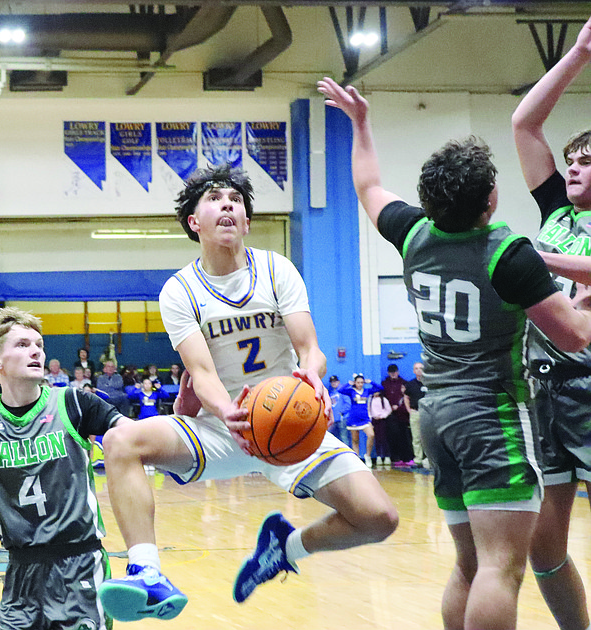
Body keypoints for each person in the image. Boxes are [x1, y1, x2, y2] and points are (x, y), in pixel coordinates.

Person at [318, 75, 591, 630]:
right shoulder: (507, 252)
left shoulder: (412, 232)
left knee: (468, 566)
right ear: (491, 198)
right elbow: (575, 337)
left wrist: (362, 124)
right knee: (501, 566)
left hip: (437, 413)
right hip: (491, 412)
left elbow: (369, 186)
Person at [96, 163, 398, 623]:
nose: (228, 205)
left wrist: (312, 377)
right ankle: (147, 573)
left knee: (380, 519)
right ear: (194, 222)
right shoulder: (180, 290)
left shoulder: (277, 270)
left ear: (247, 221)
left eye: (236, 200)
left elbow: (310, 349)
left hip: (290, 424)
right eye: (215, 199)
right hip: (224, 428)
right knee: (121, 441)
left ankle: (285, 549)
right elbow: (201, 370)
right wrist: (227, 413)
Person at [0, 306, 130, 630]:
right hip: (20, 573)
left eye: (39, 344)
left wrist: (180, 419)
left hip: (78, 564)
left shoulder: (74, 403)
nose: (36, 350)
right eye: (22, 344)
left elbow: (137, 438)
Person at [512, 15, 591, 630]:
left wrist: (538, 260)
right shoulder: (556, 211)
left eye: (587, 160)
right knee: (544, 546)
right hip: (544, 387)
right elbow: (524, 123)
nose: (575, 168)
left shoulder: (555, 242)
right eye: (572, 159)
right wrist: (580, 54)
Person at [338, 373, 381, 467]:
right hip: (354, 418)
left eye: (362, 382)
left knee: (371, 435)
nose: (360, 384)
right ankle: (356, 459)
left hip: (365, 418)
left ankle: (368, 456)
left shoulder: (367, 391)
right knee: (355, 440)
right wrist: (349, 384)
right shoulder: (351, 391)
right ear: (355, 383)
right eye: (358, 382)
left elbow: (380, 388)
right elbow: (340, 390)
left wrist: (371, 382)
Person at [381, 364, 414, 467]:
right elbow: (382, 398)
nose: (393, 374)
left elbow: (408, 399)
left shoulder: (404, 383)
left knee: (405, 437)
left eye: (394, 372)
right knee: (392, 437)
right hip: (390, 415)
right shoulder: (384, 384)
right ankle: (395, 458)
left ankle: (407, 457)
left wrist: (399, 408)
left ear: (398, 372)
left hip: (403, 415)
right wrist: (389, 408)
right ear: (388, 373)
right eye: (391, 372)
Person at [404, 362, 428, 468]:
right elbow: (406, 397)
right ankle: (418, 459)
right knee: (416, 437)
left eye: (421, 368)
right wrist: (409, 409)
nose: (419, 370)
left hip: (428, 414)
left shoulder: (430, 383)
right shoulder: (410, 384)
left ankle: (428, 459)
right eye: (416, 368)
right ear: (414, 371)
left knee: (428, 437)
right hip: (415, 413)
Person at [369, 389, 392, 467]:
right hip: (374, 421)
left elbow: (388, 410)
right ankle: (379, 456)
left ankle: (387, 456)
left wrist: (382, 416)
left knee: (384, 438)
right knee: (377, 439)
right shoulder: (371, 399)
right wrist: (371, 418)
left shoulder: (383, 399)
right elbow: (369, 410)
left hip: (382, 421)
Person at [327, 375, 350, 446]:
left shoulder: (343, 391)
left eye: (335, 381)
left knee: (344, 438)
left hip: (342, 419)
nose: (333, 383)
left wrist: (342, 412)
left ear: (338, 382)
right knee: (331, 438)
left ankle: (346, 454)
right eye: (332, 382)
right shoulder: (331, 393)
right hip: (333, 419)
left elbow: (348, 404)